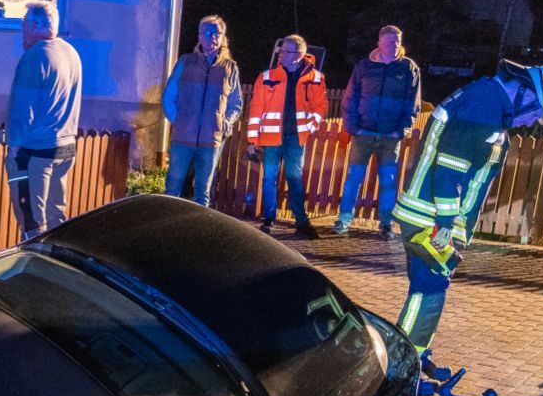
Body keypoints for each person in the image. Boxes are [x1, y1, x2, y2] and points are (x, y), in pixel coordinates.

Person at [393, 60, 543, 354]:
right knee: (428, 291)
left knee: (428, 289)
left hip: (431, 214)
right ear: (526, 94)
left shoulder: (488, 102)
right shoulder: (484, 105)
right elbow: (450, 169)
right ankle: (403, 363)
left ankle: (413, 356)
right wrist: (448, 223)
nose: (531, 122)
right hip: (432, 218)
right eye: (536, 112)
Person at [4, 1, 83, 240]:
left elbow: (22, 109)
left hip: (35, 152)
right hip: (66, 145)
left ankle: (34, 265)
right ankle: (57, 262)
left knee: (32, 221)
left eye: (23, 22)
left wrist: (14, 151)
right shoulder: (70, 52)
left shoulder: (35, 57)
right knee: (56, 216)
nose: (22, 28)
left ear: (33, 24)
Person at [333, 25, 420, 237]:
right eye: (391, 41)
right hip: (363, 134)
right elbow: (350, 97)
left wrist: (400, 131)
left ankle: (386, 224)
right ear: (379, 42)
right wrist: (353, 127)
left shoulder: (408, 68)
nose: (395, 45)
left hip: (390, 137)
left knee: (388, 182)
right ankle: (344, 220)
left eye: (398, 41)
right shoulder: (364, 67)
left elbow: (412, 103)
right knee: (353, 178)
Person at [246, 34, 328, 236]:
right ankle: (269, 219)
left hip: (296, 139)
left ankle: (301, 222)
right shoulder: (266, 77)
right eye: (281, 50)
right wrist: (252, 140)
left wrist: (310, 126)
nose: (281, 54)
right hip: (271, 138)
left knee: (295, 179)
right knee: (269, 179)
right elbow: (256, 108)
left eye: (286, 51)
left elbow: (321, 106)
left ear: (299, 55)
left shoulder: (316, 78)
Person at [161, 15, 245, 206]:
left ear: (223, 37)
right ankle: (165, 228)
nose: (211, 37)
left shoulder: (230, 68)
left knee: (203, 192)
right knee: (173, 187)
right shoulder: (186, 62)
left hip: (211, 140)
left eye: (216, 33)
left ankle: (199, 232)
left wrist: (224, 123)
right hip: (183, 139)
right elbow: (168, 97)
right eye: (206, 33)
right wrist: (179, 121)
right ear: (199, 36)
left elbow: (235, 104)